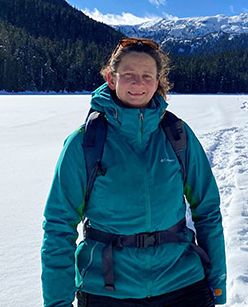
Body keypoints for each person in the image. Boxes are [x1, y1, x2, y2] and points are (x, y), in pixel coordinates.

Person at [41, 37, 226, 307]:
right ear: (111, 79)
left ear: (157, 82)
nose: (138, 83)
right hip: (108, 290)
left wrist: (217, 284)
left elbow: (208, 210)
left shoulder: (177, 136)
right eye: (128, 74)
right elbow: (59, 227)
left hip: (183, 284)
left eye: (146, 76)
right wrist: (57, 303)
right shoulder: (85, 143)